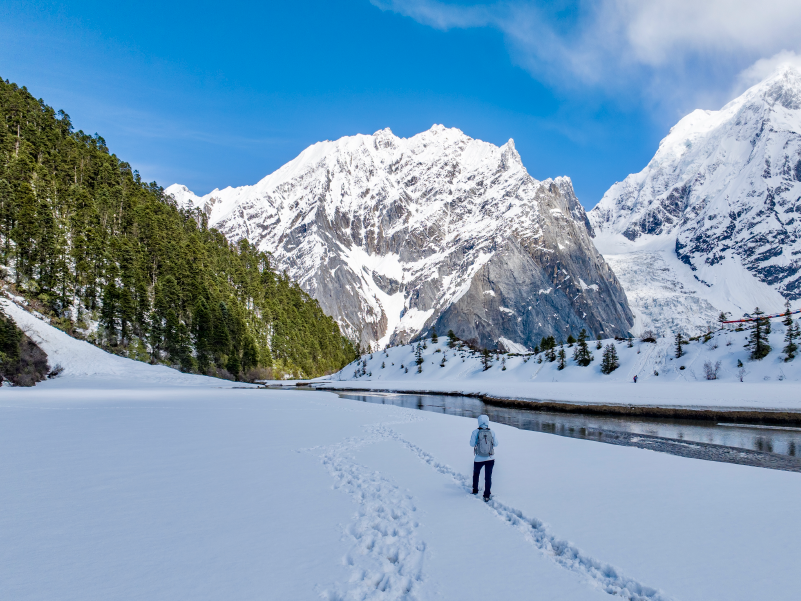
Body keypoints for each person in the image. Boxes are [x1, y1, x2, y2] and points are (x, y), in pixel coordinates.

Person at [470, 414, 498, 501]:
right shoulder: (492, 432)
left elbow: (471, 444)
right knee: (488, 477)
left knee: (476, 474)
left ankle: (475, 490)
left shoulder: (475, 432)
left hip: (478, 458)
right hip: (490, 458)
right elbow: (496, 444)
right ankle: (486, 495)